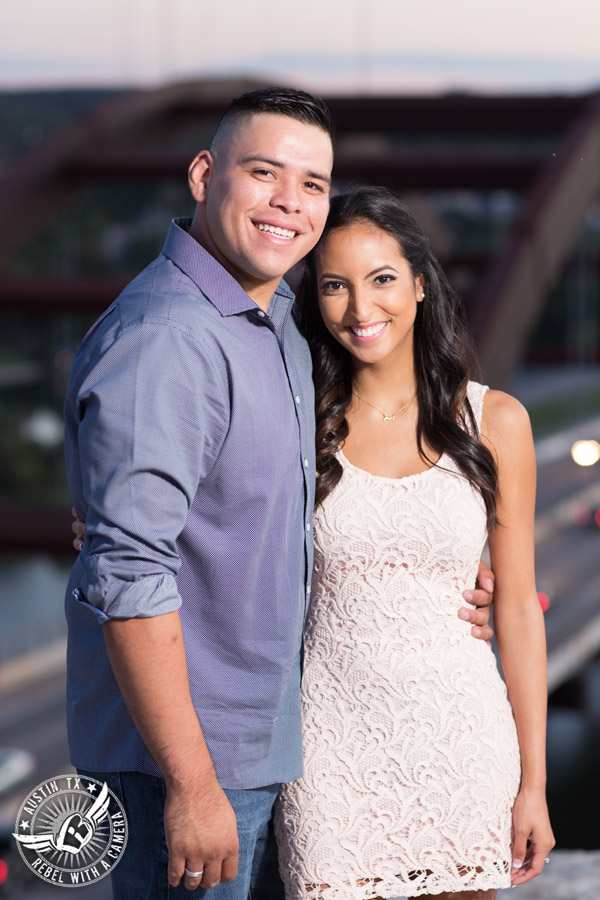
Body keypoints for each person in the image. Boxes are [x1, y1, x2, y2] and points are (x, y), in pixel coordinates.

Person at [64, 88, 495, 900]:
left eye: (312, 183)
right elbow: (129, 576)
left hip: (268, 756)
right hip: (189, 769)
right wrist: (192, 787)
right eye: (264, 173)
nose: (289, 205)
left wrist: (453, 567)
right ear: (203, 174)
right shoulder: (169, 340)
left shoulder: (278, 322)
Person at [274, 186, 555, 900]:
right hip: (329, 750)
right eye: (335, 285)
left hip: (462, 743)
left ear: (421, 284)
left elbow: (518, 608)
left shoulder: (497, 421)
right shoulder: (294, 419)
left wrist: (534, 783)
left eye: (382, 279)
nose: (361, 309)